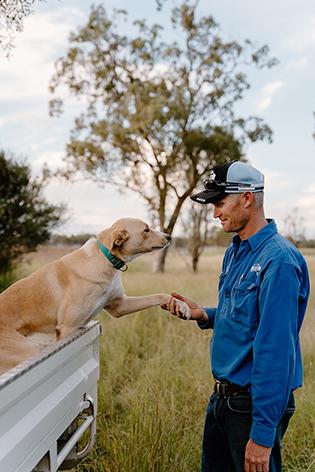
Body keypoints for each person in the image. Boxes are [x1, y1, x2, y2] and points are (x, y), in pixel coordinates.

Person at [161, 161, 310, 472]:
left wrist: (262, 436)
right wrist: (203, 313)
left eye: (220, 202)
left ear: (247, 198)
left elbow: (275, 352)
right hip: (222, 399)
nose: (215, 213)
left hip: (252, 406)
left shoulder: (279, 262)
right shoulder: (236, 250)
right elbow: (245, 317)